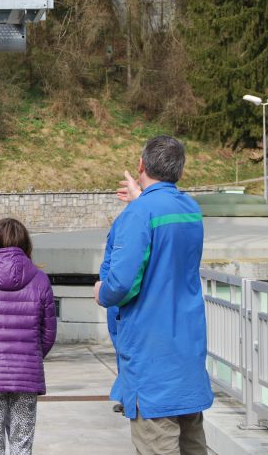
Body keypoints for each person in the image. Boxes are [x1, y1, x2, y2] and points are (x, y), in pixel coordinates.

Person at [94, 135, 214, 455]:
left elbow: (122, 283)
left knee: (157, 443)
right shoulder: (190, 209)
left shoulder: (140, 213)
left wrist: (101, 292)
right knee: (193, 444)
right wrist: (142, 200)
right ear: (179, 170)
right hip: (187, 353)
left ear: (141, 165)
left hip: (152, 360)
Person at [0, 218, 56, 455]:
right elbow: (48, 332)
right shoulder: (40, 279)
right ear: (26, 244)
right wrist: (32, 355)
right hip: (26, 372)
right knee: (21, 443)